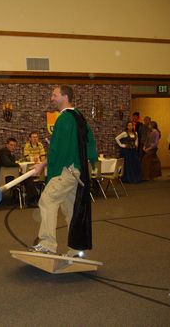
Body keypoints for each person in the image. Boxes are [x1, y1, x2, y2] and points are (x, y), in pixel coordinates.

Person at [30, 86, 98, 257]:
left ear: (65, 97)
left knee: (47, 200)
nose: (51, 98)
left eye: (55, 95)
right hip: (77, 171)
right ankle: (76, 250)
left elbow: (58, 149)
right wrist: (90, 162)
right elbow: (90, 144)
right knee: (71, 210)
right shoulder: (79, 117)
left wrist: (41, 165)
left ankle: (47, 244)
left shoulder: (65, 119)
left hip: (66, 169)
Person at [0, 137, 39, 207]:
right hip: (2, 178)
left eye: (14, 145)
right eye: (11, 145)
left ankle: (30, 199)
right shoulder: (3, 151)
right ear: (7, 145)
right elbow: (7, 163)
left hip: (8, 177)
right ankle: (32, 200)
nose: (13, 147)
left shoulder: (9, 154)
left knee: (26, 178)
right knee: (27, 178)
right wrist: (17, 165)